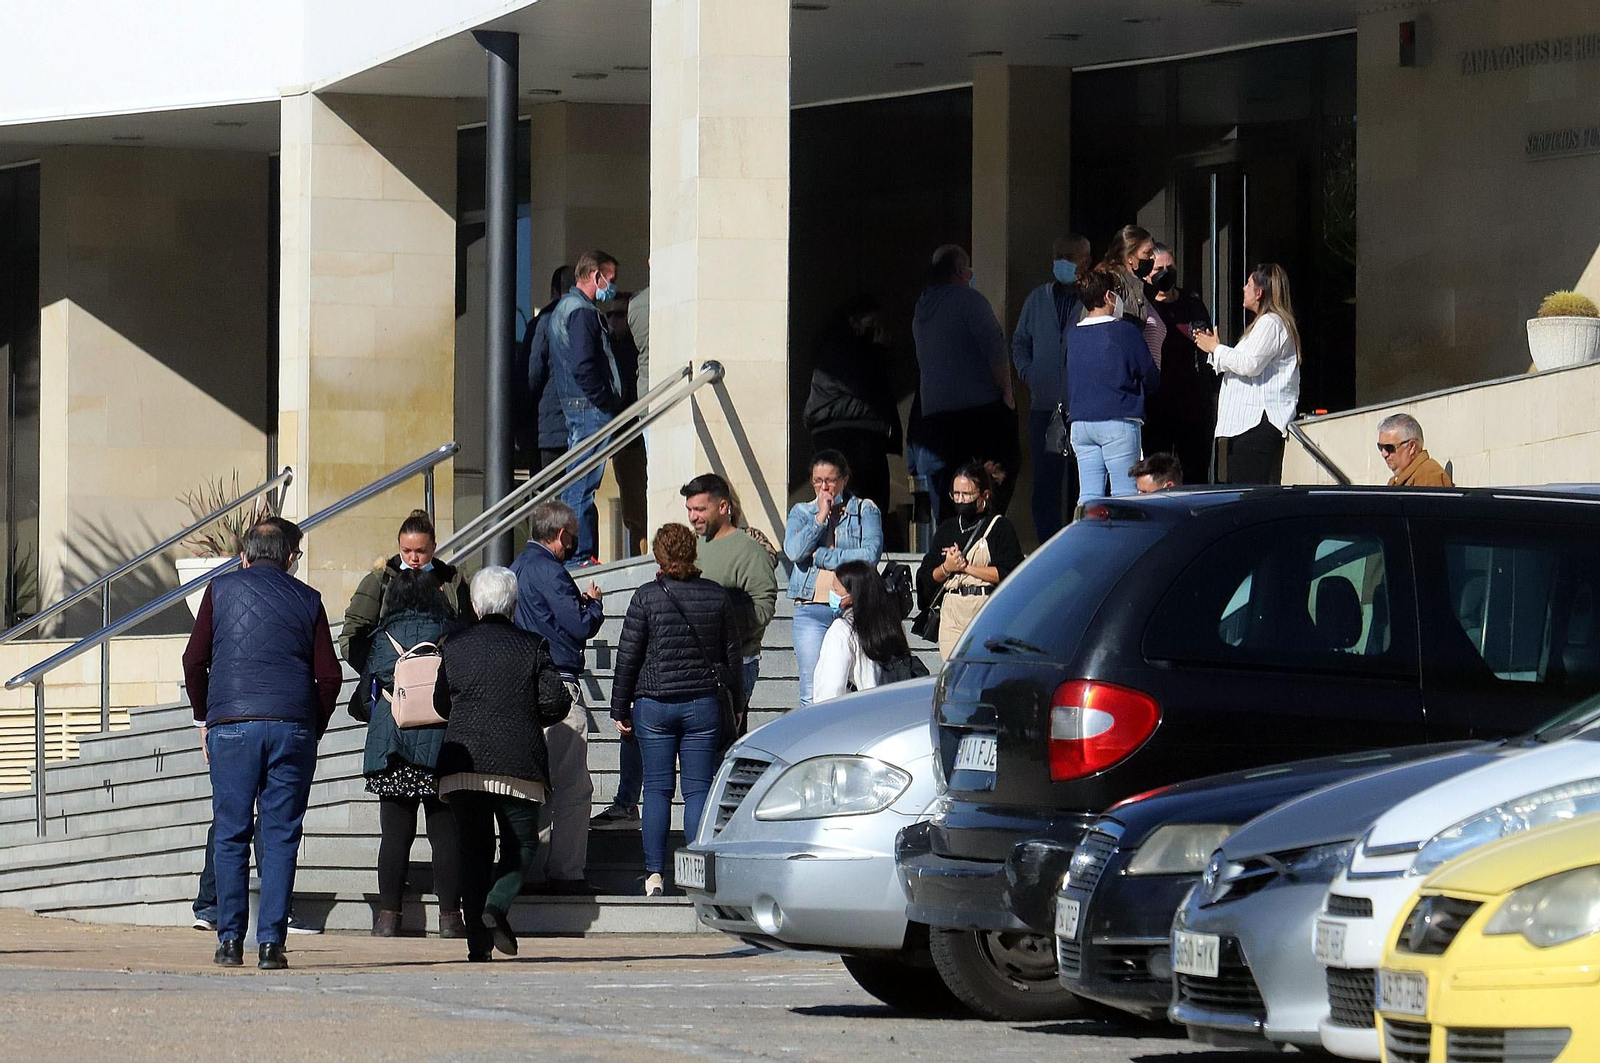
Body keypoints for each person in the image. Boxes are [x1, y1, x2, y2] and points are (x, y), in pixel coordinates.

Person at [183, 517, 340, 970]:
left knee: (230, 834)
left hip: (231, 722)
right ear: (290, 558)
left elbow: (194, 659)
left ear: (243, 557)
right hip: (291, 723)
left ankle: (230, 940)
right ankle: (271, 942)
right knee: (282, 834)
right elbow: (328, 676)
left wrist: (203, 717)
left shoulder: (220, 592)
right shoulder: (309, 599)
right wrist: (313, 724)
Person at [433, 566, 572, 962]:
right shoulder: (532, 645)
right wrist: (526, 716)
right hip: (518, 761)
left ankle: (477, 944)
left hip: (463, 764)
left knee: (472, 850)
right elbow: (557, 701)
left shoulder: (454, 644)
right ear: (514, 606)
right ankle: (496, 904)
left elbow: (442, 703)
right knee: (523, 842)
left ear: (475, 606)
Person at [610, 524, 741, 897]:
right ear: (694, 553)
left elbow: (628, 657)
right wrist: (736, 702)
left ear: (659, 557)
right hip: (702, 703)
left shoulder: (646, 597)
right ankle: (694, 873)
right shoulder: (715, 596)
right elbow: (732, 655)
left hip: (654, 703)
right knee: (698, 790)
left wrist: (620, 706)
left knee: (657, 790)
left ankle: (654, 874)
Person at [354, 569, 463, 939]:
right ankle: (450, 917)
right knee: (445, 833)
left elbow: (369, 681)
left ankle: (388, 917)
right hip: (441, 743)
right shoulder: (450, 632)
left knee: (396, 835)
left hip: (394, 744)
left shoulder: (383, 637)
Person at [509, 500, 604, 895]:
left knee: (534, 782)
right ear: (562, 535)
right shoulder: (552, 571)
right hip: (558, 685)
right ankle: (565, 871)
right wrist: (593, 603)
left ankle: (527, 869)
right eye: (573, 540)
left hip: (522, 685)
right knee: (572, 783)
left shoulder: (515, 568)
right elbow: (578, 626)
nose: (572, 547)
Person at [912, 244, 1018, 523]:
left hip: (936, 413)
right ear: (960, 271)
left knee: (949, 484)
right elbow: (995, 350)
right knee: (998, 471)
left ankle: (950, 535)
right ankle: (986, 531)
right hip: (979, 410)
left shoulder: (922, 306)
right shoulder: (970, 301)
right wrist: (1007, 393)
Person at [785, 451, 885, 707]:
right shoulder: (801, 512)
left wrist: (822, 557)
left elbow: (869, 555)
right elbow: (794, 551)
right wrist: (820, 518)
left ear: (844, 479)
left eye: (830, 480)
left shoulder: (865, 509)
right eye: (818, 481)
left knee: (865, 682)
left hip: (854, 606)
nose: (824, 487)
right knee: (813, 687)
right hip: (811, 608)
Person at [548, 250, 625, 566]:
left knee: (579, 482)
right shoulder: (581, 312)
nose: (612, 287)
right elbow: (584, 365)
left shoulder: (564, 309)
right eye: (611, 279)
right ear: (597, 276)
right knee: (582, 484)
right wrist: (604, 400)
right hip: (589, 408)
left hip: (578, 406)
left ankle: (579, 550)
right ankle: (577, 554)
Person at [1013, 235, 1091, 542]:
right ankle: (1048, 545)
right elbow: (1020, 340)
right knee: (1045, 485)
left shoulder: (1093, 299)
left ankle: (1078, 544)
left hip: (1082, 407)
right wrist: (1028, 372)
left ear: (1085, 261)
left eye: (1069, 256)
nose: (1062, 262)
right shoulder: (1038, 298)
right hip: (1044, 407)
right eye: (1058, 255)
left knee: (1079, 484)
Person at [1195, 263, 1302, 486]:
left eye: (1248, 284)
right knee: (1239, 488)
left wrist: (1216, 348)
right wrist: (1213, 348)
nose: (1244, 289)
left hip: (1258, 422)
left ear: (1259, 292)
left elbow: (1249, 364)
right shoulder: (1263, 324)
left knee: (1249, 490)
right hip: (1246, 423)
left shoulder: (1271, 323)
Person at [1068, 268, 1161, 503]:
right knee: (1125, 493)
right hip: (1117, 419)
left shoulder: (1074, 335)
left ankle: (1086, 538)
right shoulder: (1125, 331)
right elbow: (1150, 375)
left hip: (1081, 423)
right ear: (1109, 296)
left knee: (1088, 495)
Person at [803, 294, 902, 513]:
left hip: (845, 431)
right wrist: (878, 350)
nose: (876, 329)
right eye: (872, 322)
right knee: (864, 499)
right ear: (854, 321)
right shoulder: (843, 349)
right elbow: (864, 385)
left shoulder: (835, 347)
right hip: (851, 434)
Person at [916, 462, 1024, 659]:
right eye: (956, 494)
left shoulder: (1000, 527)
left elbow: (1009, 572)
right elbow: (925, 576)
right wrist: (947, 567)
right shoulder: (947, 529)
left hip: (985, 609)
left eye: (966, 494)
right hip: (952, 611)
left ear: (984, 495)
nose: (960, 499)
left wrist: (966, 567)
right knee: (953, 673)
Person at [339, 509, 469, 673]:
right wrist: (379, 672)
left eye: (420, 551)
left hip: (444, 680)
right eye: (406, 551)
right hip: (392, 684)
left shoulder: (452, 580)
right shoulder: (379, 581)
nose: (413, 558)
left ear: (434, 547)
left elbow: (468, 629)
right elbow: (350, 637)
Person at [1142, 244, 1217, 484]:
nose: (1165, 273)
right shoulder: (1144, 306)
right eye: (1158, 269)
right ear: (1146, 274)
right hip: (1156, 405)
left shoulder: (1191, 302)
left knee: (1195, 473)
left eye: (1169, 267)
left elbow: (1207, 343)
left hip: (1191, 405)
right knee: (1157, 474)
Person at [812, 561, 918, 701]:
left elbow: (831, 688)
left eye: (836, 590)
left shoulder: (842, 630)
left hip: (857, 712)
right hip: (890, 707)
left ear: (852, 595)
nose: (831, 593)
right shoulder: (891, 625)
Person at [524, 266, 579, 474]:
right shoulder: (587, 317)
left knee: (548, 497)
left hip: (546, 428)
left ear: (553, 291)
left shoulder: (543, 323)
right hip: (579, 428)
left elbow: (532, 374)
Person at [1100, 225, 1168, 370]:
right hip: (1129, 380)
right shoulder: (1115, 284)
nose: (1152, 258)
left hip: (1144, 382)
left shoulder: (1142, 289)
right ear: (1130, 258)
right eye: (1147, 253)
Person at [1378, 413, 1453, 487]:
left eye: (1389, 447)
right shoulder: (1396, 481)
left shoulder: (1428, 476)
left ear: (1412, 447)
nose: (1384, 454)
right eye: (1380, 447)